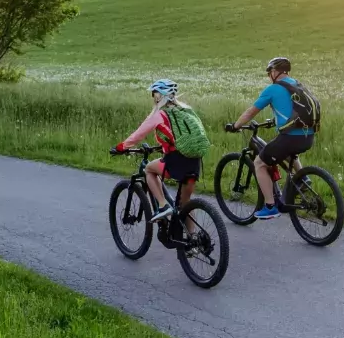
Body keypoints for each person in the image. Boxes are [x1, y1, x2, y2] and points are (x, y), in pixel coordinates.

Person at [226, 56, 313, 220]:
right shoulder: (298, 85)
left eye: (269, 73)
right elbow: (293, 110)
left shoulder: (273, 89)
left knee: (259, 163)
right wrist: (275, 121)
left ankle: (270, 206)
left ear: (274, 72)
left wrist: (236, 125)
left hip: (290, 138)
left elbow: (251, 112)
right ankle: (303, 178)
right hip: (308, 136)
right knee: (286, 152)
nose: (268, 76)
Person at [112, 79, 205, 231]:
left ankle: (163, 206)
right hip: (195, 160)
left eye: (153, 94)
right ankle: (193, 241)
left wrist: (121, 147)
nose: (152, 97)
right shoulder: (187, 109)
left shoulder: (159, 114)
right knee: (185, 203)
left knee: (149, 169)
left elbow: (138, 135)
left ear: (159, 96)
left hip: (176, 161)